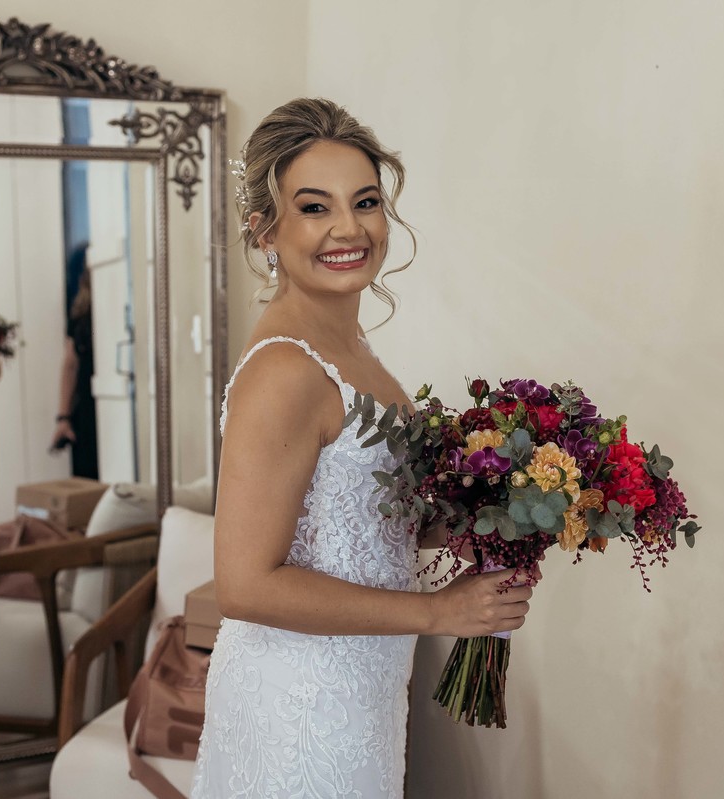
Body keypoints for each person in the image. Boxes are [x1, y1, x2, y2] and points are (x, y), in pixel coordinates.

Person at [191, 99, 536, 797]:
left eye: (366, 201)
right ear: (265, 229)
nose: (349, 228)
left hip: (364, 697)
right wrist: (439, 613)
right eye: (314, 207)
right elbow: (245, 585)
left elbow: (361, 524)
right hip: (296, 711)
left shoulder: (351, 348)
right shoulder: (284, 371)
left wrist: (493, 517)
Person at [50, 254, 99, 479]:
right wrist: (63, 416)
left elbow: (70, 364)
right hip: (86, 408)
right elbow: (70, 364)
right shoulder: (81, 312)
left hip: (102, 402)